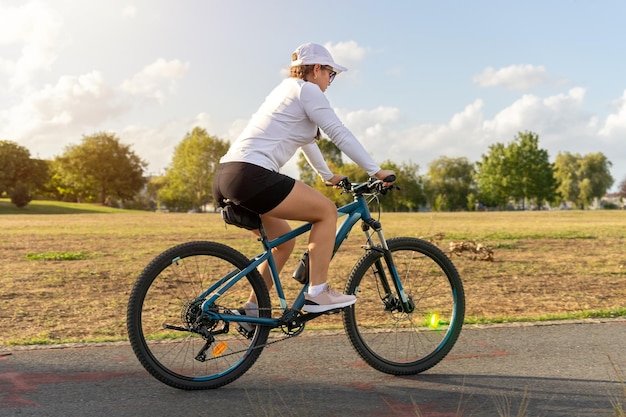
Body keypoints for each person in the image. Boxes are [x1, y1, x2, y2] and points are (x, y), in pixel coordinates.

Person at [212, 42, 395, 320]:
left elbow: (307, 140)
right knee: (326, 212)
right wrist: (376, 171)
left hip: (227, 174)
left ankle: (251, 309)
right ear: (317, 69)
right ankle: (318, 292)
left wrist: (328, 176)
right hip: (252, 174)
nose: (329, 82)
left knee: (282, 243)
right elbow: (339, 133)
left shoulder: (285, 90)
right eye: (330, 75)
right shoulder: (307, 90)